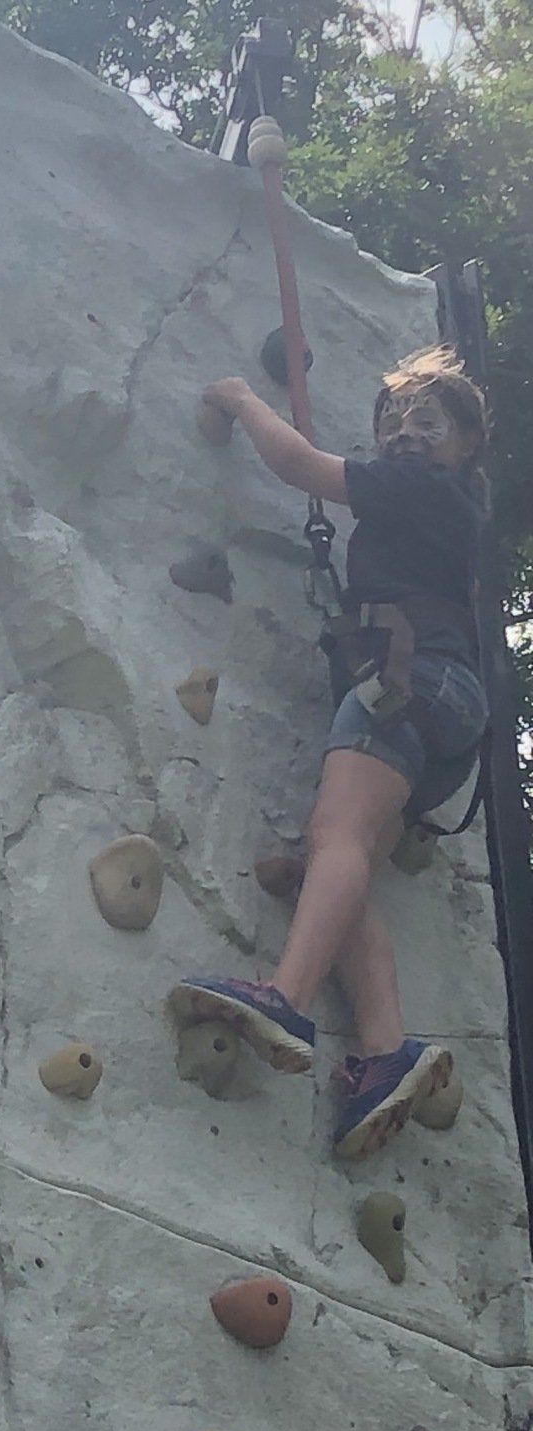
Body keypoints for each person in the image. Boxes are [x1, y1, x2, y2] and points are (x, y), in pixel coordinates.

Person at [170, 345, 489, 1158]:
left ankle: (286, 996)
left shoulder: (420, 488)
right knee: (340, 870)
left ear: (463, 447)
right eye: (394, 421)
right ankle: (385, 1052)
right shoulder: (442, 508)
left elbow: (299, 464)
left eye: (429, 422)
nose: (406, 434)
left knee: (333, 840)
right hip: (445, 712)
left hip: (409, 676)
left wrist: (242, 398)